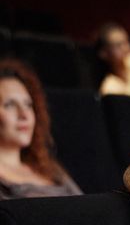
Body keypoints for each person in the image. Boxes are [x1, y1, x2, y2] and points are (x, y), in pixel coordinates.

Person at [0, 58, 81, 199]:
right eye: (10, 105)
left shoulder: (50, 169)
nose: (24, 115)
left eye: (28, 105)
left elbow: (88, 208)